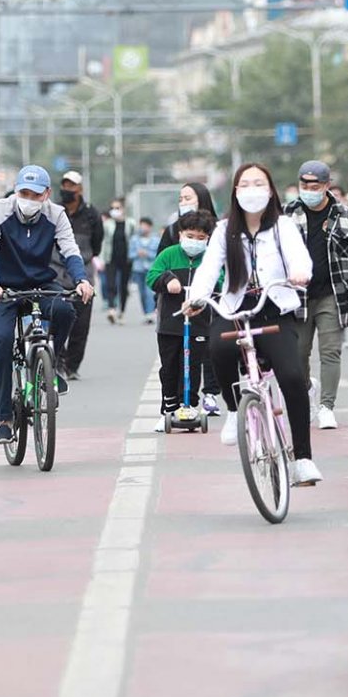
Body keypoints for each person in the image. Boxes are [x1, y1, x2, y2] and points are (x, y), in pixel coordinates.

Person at [185, 163, 323, 487]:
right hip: (235, 307)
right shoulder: (223, 231)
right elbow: (208, 270)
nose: (252, 189)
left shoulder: (283, 227)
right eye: (244, 184)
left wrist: (301, 275)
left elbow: (300, 259)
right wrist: (198, 297)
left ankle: (302, 459)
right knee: (218, 346)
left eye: (259, 183)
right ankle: (234, 410)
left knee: (292, 376)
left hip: (275, 308)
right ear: (235, 192)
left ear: (271, 189)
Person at [0, 164, 94, 445]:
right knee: (3, 341)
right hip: (2, 288)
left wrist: (81, 280)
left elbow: (70, 250)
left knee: (67, 310)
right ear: (16, 190)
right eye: (24, 192)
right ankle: (4, 417)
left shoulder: (57, 214)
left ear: (47, 194)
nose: (29, 198)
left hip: (42, 284)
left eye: (35, 194)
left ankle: (50, 365)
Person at [283, 160, 348, 431]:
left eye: (314, 186)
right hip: (296, 297)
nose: (308, 190)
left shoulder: (346, 216)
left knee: (331, 352)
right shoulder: (287, 215)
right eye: (304, 186)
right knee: (298, 355)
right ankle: (308, 390)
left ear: (326, 186)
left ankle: (326, 406)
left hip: (332, 295)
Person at [146, 209, 214, 426]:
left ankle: (190, 405)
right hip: (170, 322)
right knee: (170, 365)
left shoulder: (210, 258)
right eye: (190, 236)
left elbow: (220, 279)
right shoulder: (169, 254)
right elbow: (151, 276)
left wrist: (204, 295)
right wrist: (167, 280)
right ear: (180, 235)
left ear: (208, 239)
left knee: (193, 364)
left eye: (201, 238)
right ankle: (169, 407)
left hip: (199, 321)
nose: (195, 241)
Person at [58, 171, 105, 380]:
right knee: (56, 316)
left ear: (80, 190)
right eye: (64, 186)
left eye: (72, 186)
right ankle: (57, 361)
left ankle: (72, 365)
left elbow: (97, 244)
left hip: (83, 270)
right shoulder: (55, 211)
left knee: (81, 321)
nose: (67, 190)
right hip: (56, 271)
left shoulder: (91, 213)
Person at [102, 197, 132, 323]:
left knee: (124, 286)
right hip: (111, 258)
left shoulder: (130, 223)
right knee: (111, 284)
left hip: (126, 259)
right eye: (112, 208)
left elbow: (133, 239)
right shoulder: (107, 224)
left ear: (123, 209)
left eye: (117, 208)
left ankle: (122, 311)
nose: (115, 211)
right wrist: (101, 258)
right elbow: (103, 241)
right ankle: (112, 309)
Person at [130, 217, 161, 322]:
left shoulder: (156, 240)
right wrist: (137, 253)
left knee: (149, 292)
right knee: (142, 292)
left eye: (145, 225)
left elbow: (158, 255)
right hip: (138, 269)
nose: (143, 228)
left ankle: (150, 313)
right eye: (141, 225)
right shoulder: (134, 239)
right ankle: (146, 312)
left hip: (150, 269)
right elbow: (130, 254)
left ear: (150, 227)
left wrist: (148, 254)